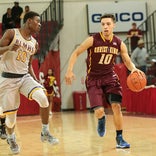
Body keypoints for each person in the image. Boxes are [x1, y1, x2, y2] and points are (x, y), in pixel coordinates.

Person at [65, 14, 141, 149]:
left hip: (110, 78)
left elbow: (127, 61)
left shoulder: (119, 43)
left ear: (113, 25)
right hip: (93, 79)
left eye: (108, 24)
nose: (105, 26)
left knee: (116, 107)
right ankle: (101, 119)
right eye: (103, 24)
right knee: (99, 111)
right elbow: (76, 53)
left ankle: (120, 138)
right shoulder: (92, 40)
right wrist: (69, 70)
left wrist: (134, 69)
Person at [0, 11, 59, 154]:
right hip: (8, 79)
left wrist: (34, 78)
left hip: (24, 77)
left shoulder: (35, 44)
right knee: (11, 120)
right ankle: (11, 137)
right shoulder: (11, 33)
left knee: (43, 98)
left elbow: (28, 65)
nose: (39, 25)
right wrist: (8, 48)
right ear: (28, 21)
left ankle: (45, 132)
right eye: (37, 21)